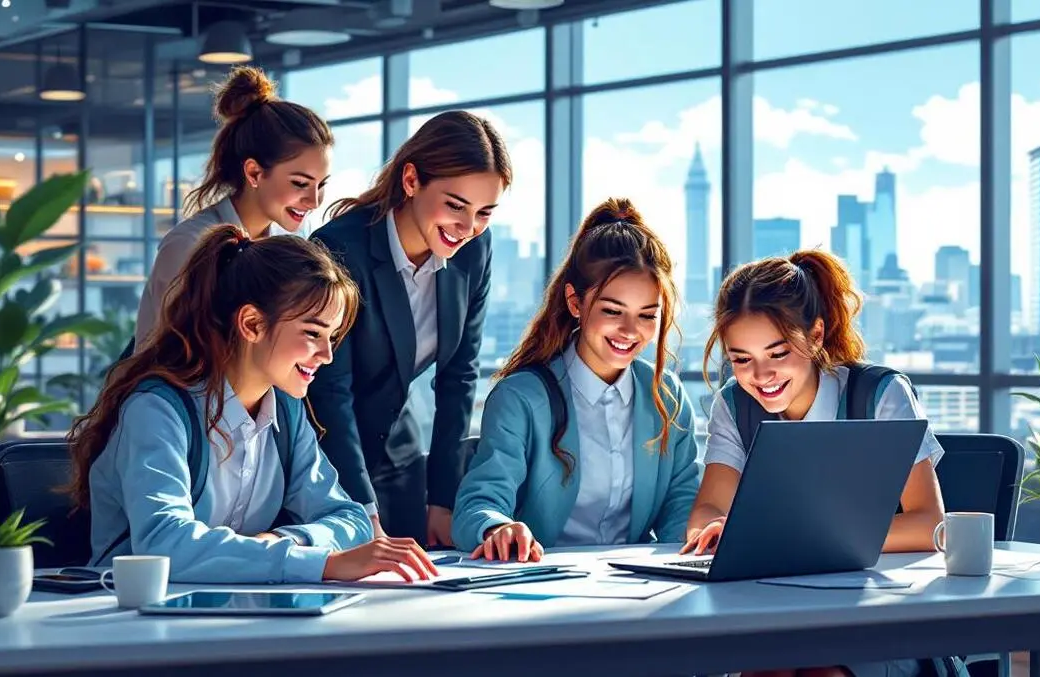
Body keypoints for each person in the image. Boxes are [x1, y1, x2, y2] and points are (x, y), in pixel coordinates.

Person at [66, 225, 437, 584]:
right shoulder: (157, 411)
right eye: (312, 333)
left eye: (332, 336)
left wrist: (279, 542)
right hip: (125, 619)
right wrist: (320, 563)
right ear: (252, 324)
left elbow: (351, 520)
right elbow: (165, 545)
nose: (326, 355)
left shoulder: (286, 411)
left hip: (233, 615)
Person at [684, 249, 947, 677]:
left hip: (880, 614)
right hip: (772, 613)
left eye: (778, 353)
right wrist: (712, 530)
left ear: (817, 335)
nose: (761, 375)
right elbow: (707, 512)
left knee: (820, 671)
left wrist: (795, 542)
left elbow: (928, 524)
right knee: (765, 670)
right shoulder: (734, 406)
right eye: (741, 359)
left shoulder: (880, 395)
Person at [451, 198, 701, 561]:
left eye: (647, 315)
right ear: (575, 302)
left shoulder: (667, 397)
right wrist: (497, 528)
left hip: (633, 587)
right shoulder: (521, 398)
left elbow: (682, 503)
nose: (631, 331)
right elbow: (479, 501)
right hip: (537, 585)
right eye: (612, 311)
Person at [308, 110, 509, 546]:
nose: (467, 228)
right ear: (412, 180)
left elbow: (459, 377)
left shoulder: (474, 251)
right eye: (455, 205)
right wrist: (362, 512)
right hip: (328, 466)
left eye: (484, 213)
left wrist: (444, 499)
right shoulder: (340, 249)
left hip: (400, 462)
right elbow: (330, 393)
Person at [133, 65, 334, 348]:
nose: (314, 201)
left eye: (321, 185)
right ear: (254, 173)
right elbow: (178, 359)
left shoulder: (290, 245)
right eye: (300, 184)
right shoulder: (189, 247)